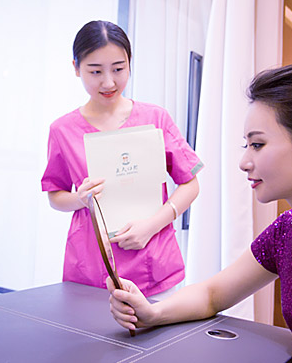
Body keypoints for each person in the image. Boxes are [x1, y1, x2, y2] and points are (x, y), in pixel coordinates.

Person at [107, 64, 292, 362]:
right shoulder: (286, 231)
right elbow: (213, 294)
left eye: (258, 144)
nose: (244, 162)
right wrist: (152, 312)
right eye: (246, 145)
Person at [41, 20, 202, 297]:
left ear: (130, 63)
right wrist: (80, 198)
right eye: (95, 71)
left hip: (154, 263)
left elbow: (191, 184)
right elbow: (55, 195)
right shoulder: (62, 130)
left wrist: (151, 226)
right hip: (91, 266)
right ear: (76, 68)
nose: (109, 82)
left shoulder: (155, 118)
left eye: (118, 69)